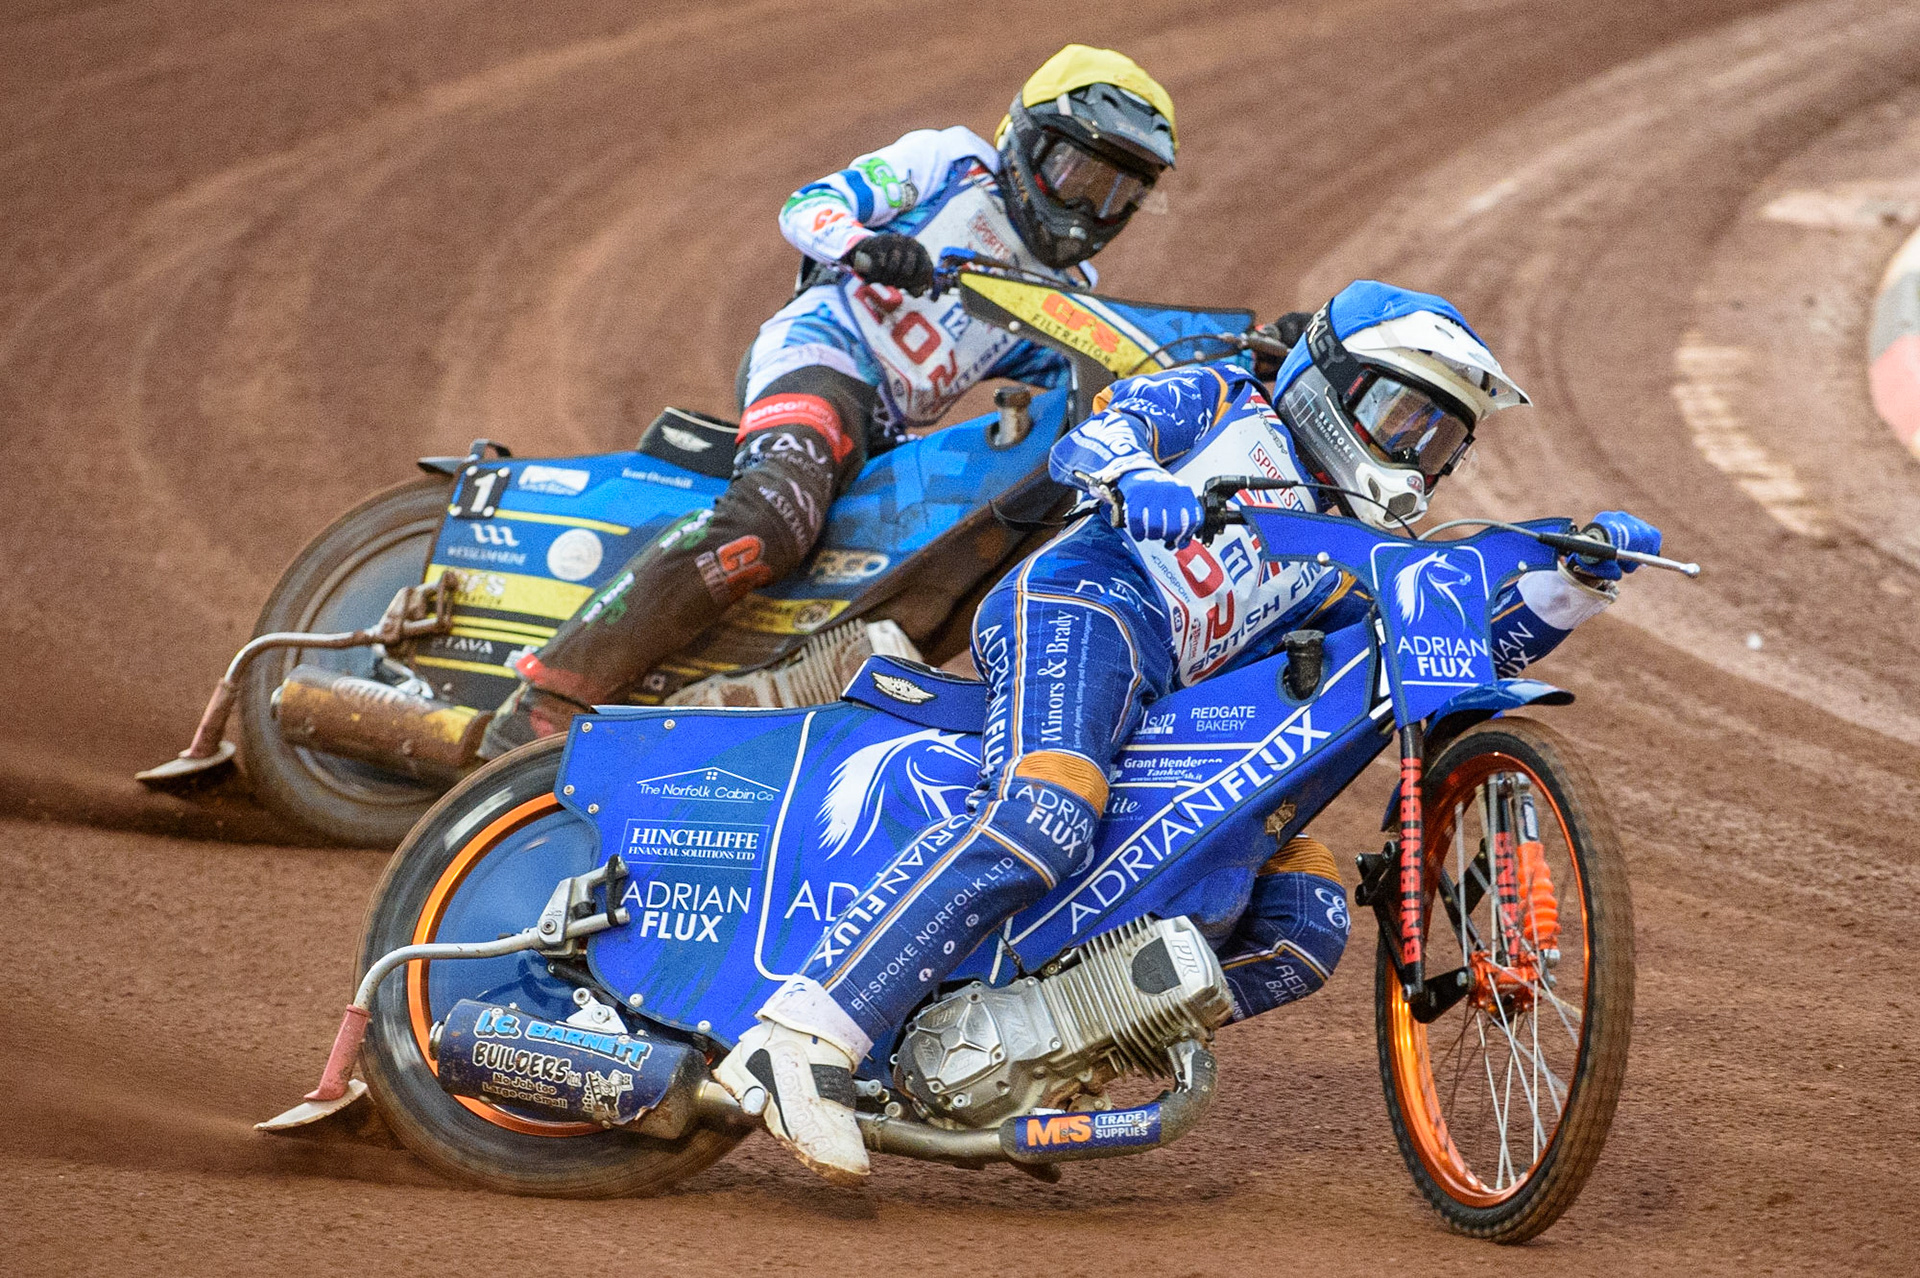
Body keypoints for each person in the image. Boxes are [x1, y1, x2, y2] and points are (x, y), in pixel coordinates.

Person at [714, 279, 1664, 1184]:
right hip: (1089, 600)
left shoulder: (1359, 553)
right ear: (1332, 383)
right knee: (1045, 812)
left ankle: (1036, 1045)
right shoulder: (1227, 400)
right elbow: (1100, 434)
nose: (1416, 449)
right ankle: (802, 1038)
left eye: (1440, 436)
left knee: (1305, 925)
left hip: (1171, 697)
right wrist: (1135, 479)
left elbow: (1449, 660)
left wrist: (1572, 584)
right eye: (1401, 415)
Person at [479, 45, 1180, 757]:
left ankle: (730, 706)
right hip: (819, 353)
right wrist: (866, 244)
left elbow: (1077, 369)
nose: (1090, 209)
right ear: (1025, 141)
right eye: (1076, 175)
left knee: (933, 576)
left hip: (885, 431)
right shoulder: (950, 162)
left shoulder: (1068, 292)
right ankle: (550, 696)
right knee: (773, 518)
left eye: (1118, 194)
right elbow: (809, 205)